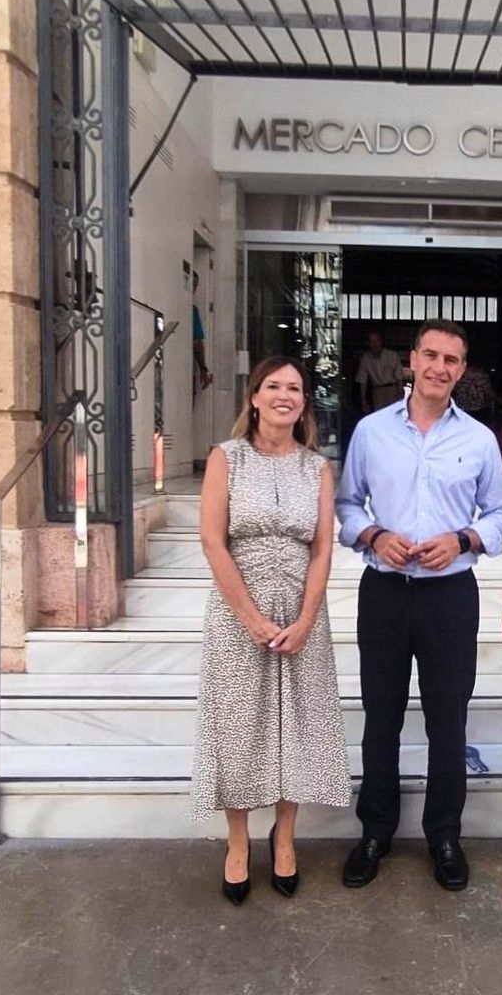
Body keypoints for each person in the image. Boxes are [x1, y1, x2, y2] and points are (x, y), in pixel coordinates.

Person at [335, 318, 502, 892]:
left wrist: (462, 540)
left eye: (452, 360)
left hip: (450, 598)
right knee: (380, 717)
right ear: (411, 361)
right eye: (430, 355)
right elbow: (346, 502)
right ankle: (375, 832)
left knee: (447, 720)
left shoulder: (480, 440)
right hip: (385, 592)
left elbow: (500, 513)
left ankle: (444, 834)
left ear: (462, 370)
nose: (440, 368)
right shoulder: (370, 432)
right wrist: (372, 535)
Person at [191, 356, 349, 906]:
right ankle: (238, 842)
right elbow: (213, 542)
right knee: (240, 724)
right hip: (240, 609)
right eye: (275, 387)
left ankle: (285, 836)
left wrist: (306, 618)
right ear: (254, 397)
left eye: (296, 388)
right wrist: (253, 619)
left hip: (303, 608)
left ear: (305, 401)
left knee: (296, 725)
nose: (286, 396)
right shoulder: (225, 459)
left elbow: (324, 545)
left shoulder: (317, 468)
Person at [355, 330, 404, 413]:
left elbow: (399, 376)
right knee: (379, 416)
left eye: (377, 341)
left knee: (393, 415)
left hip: (392, 389)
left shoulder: (392, 355)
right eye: (371, 342)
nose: (375, 344)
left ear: (381, 342)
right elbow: (363, 381)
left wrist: (400, 393)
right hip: (377, 391)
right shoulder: (366, 359)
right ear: (368, 344)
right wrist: (363, 400)